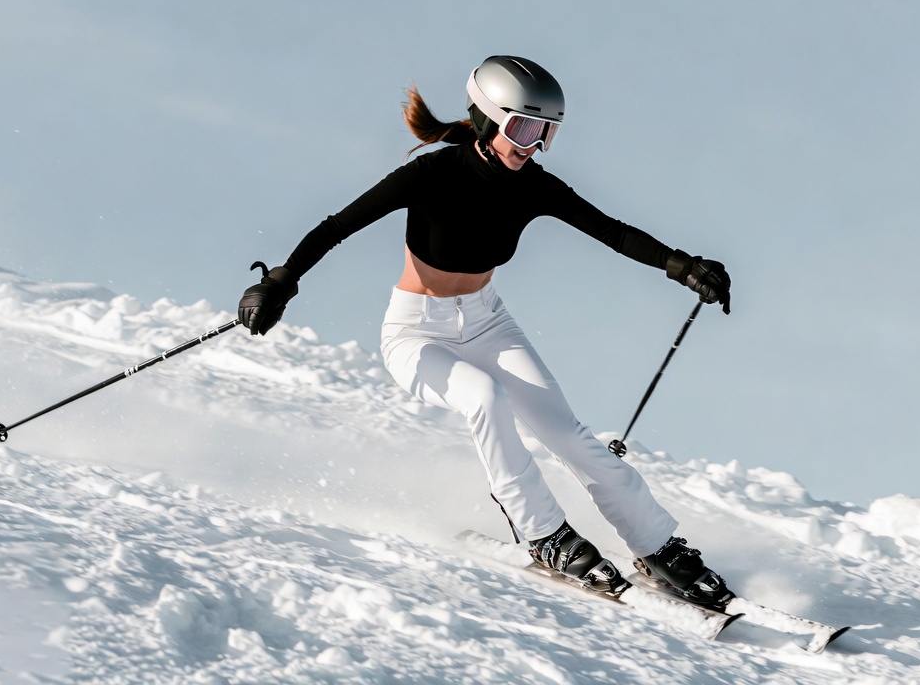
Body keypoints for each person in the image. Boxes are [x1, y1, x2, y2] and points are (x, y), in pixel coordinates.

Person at [237, 55, 735, 608]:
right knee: (483, 397)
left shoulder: (535, 186)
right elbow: (335, 227)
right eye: (524, 127)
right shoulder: (430, 175)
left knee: (570, 436)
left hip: (488, 322)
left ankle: (657, 547)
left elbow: (612, 232)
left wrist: (683, 265)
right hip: (415, 333)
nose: (534, 144)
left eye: (546, 131)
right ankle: (545, 535)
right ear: (487, 118)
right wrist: (281, 282)